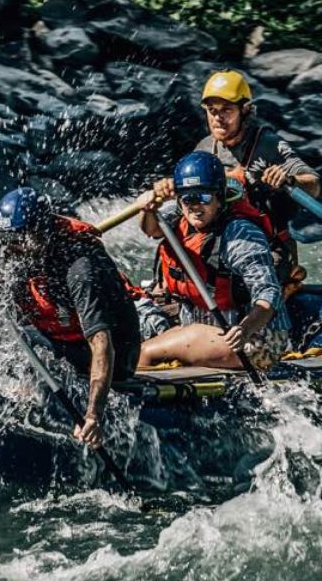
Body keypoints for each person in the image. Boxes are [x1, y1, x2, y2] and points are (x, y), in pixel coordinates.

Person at [0, 187, 141, 450]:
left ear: (42, 232)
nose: (12, 249)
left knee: (24, 341)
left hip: (111, 356)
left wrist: (93, 416)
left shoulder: (80, 268)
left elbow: (102, 344)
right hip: (57, 339)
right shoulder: (14, 245)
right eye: (7, 240)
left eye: (19, 241)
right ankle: (9, 393)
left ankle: (31, 400)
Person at [137, 151, 291, 371]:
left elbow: (269, 293)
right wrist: (147, 208)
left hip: (256, 341)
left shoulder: (240, 234)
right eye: (188, 199)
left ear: (220, 198)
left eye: (204, 198)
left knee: (144, 354)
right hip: (208, 325)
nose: (195, 206)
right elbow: (151, 228)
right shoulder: (179, 217)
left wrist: (246, 329)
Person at [192, 69, 320, 283]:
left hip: (270, 250)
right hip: (221, 246)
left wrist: (291, 179)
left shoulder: (268, 144)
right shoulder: (204, 149)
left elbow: (314, 183)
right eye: (212, 110)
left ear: (245, 110)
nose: (217, 118)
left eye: (227, 110)